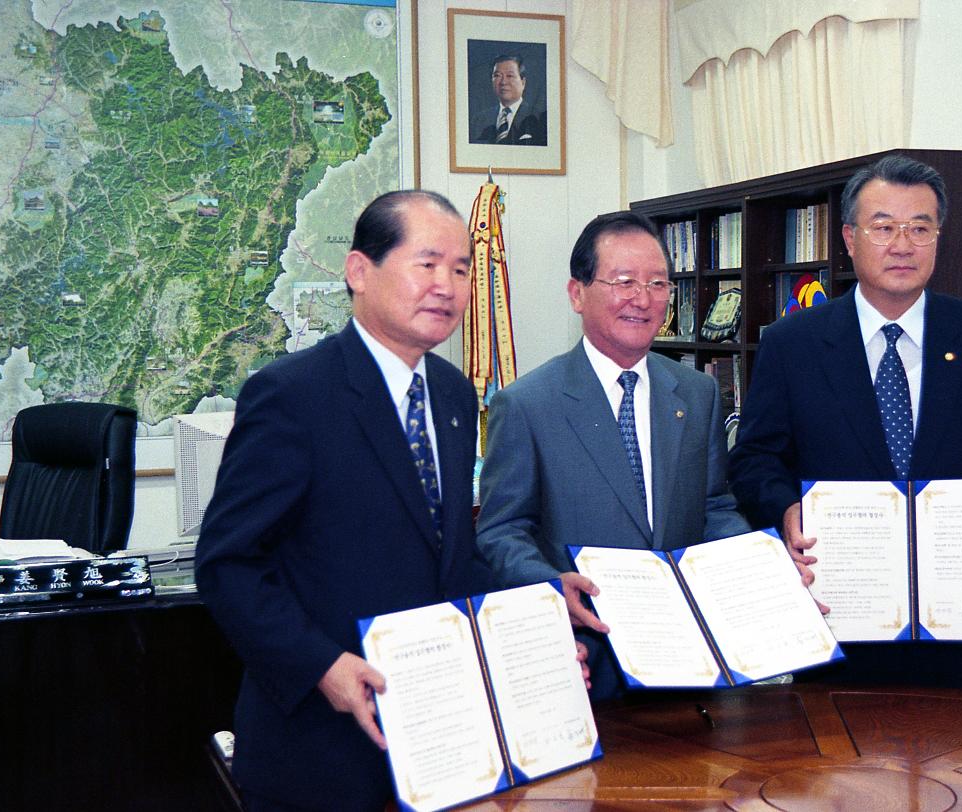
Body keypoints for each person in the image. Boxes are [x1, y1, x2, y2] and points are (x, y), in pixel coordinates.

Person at [196, 190, 525, 811]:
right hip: (319, 747)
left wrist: (531, 621)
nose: (448, 287)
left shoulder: (455, 398)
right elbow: (228, 563)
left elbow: (451, 556)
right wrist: (323, 666)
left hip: (435, 741)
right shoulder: (291, 394)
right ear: (358, 271)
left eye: (461, 270)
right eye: (426, 264)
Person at [728, 154, 962, 690]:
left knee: (957, 768)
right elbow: (753, 460)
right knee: (832, 769)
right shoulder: (792, 343)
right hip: (837, 620)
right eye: (883, 227)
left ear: (938, 238)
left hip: (957, 627)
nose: (902, 244)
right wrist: (785, 510)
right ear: (848, 237)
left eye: (920, 227)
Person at [476, 211, 750, 700]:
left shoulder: (696, 392)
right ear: (577, 293)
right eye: (623, 281)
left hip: (687, 669)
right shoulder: (526, 405)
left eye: (658, 283)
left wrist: (757, 563)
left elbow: (714, 507)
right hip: (582, 664)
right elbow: (501, 531)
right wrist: (552, 585)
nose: (642, 299)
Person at [470, 54, 547, 146]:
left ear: (523, 82)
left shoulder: (538, 118)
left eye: (510, 76)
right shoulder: (478, 120)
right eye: (497, 75)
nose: (503, 82)